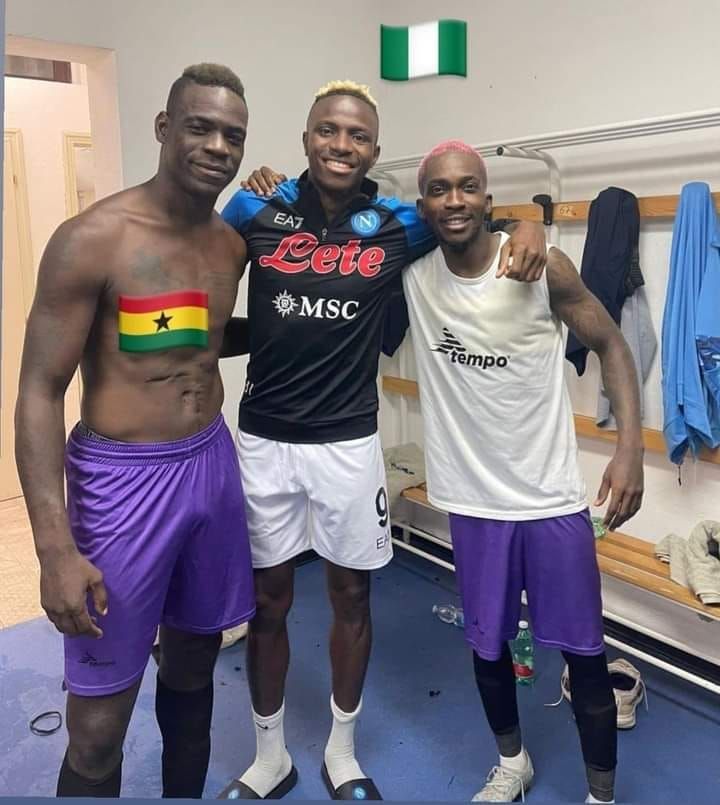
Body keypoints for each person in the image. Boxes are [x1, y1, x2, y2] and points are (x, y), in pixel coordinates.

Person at [218, 81, 547, 801]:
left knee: (351, 597)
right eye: (328, 130)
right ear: (306, 138)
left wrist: (532, 225)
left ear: (374, 150)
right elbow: (203, 284)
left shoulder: (399, 222)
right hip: (264, 438)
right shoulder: (254, 209)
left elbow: (470, 216)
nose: (342, 145)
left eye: (358, 135)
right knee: (267, 602)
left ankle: (342, 753)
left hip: (347, 442)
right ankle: (269, 757)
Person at [14, 64, 255, 799]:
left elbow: (194, 338)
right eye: (200, 127)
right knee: (97, 725)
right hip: (122, 484)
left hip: (210, 465)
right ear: (163, 127)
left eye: (233, 135)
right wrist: (55, 550)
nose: (217, 147)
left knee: (194, 669)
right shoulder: (91, 239)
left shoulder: (230, 245)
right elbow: (38, 391)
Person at [401, 140, 645, 804]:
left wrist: (629, 448)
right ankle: (513, 763)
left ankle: (600, 796)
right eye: (440, 189)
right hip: (473, 504)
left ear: (487, 197)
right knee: (488, 649)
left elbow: (611, 343)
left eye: (468, 186)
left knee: (584, 654)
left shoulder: (544, 267)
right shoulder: (414, 275)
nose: (455, 200)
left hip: (550, 501)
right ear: (423, 204)